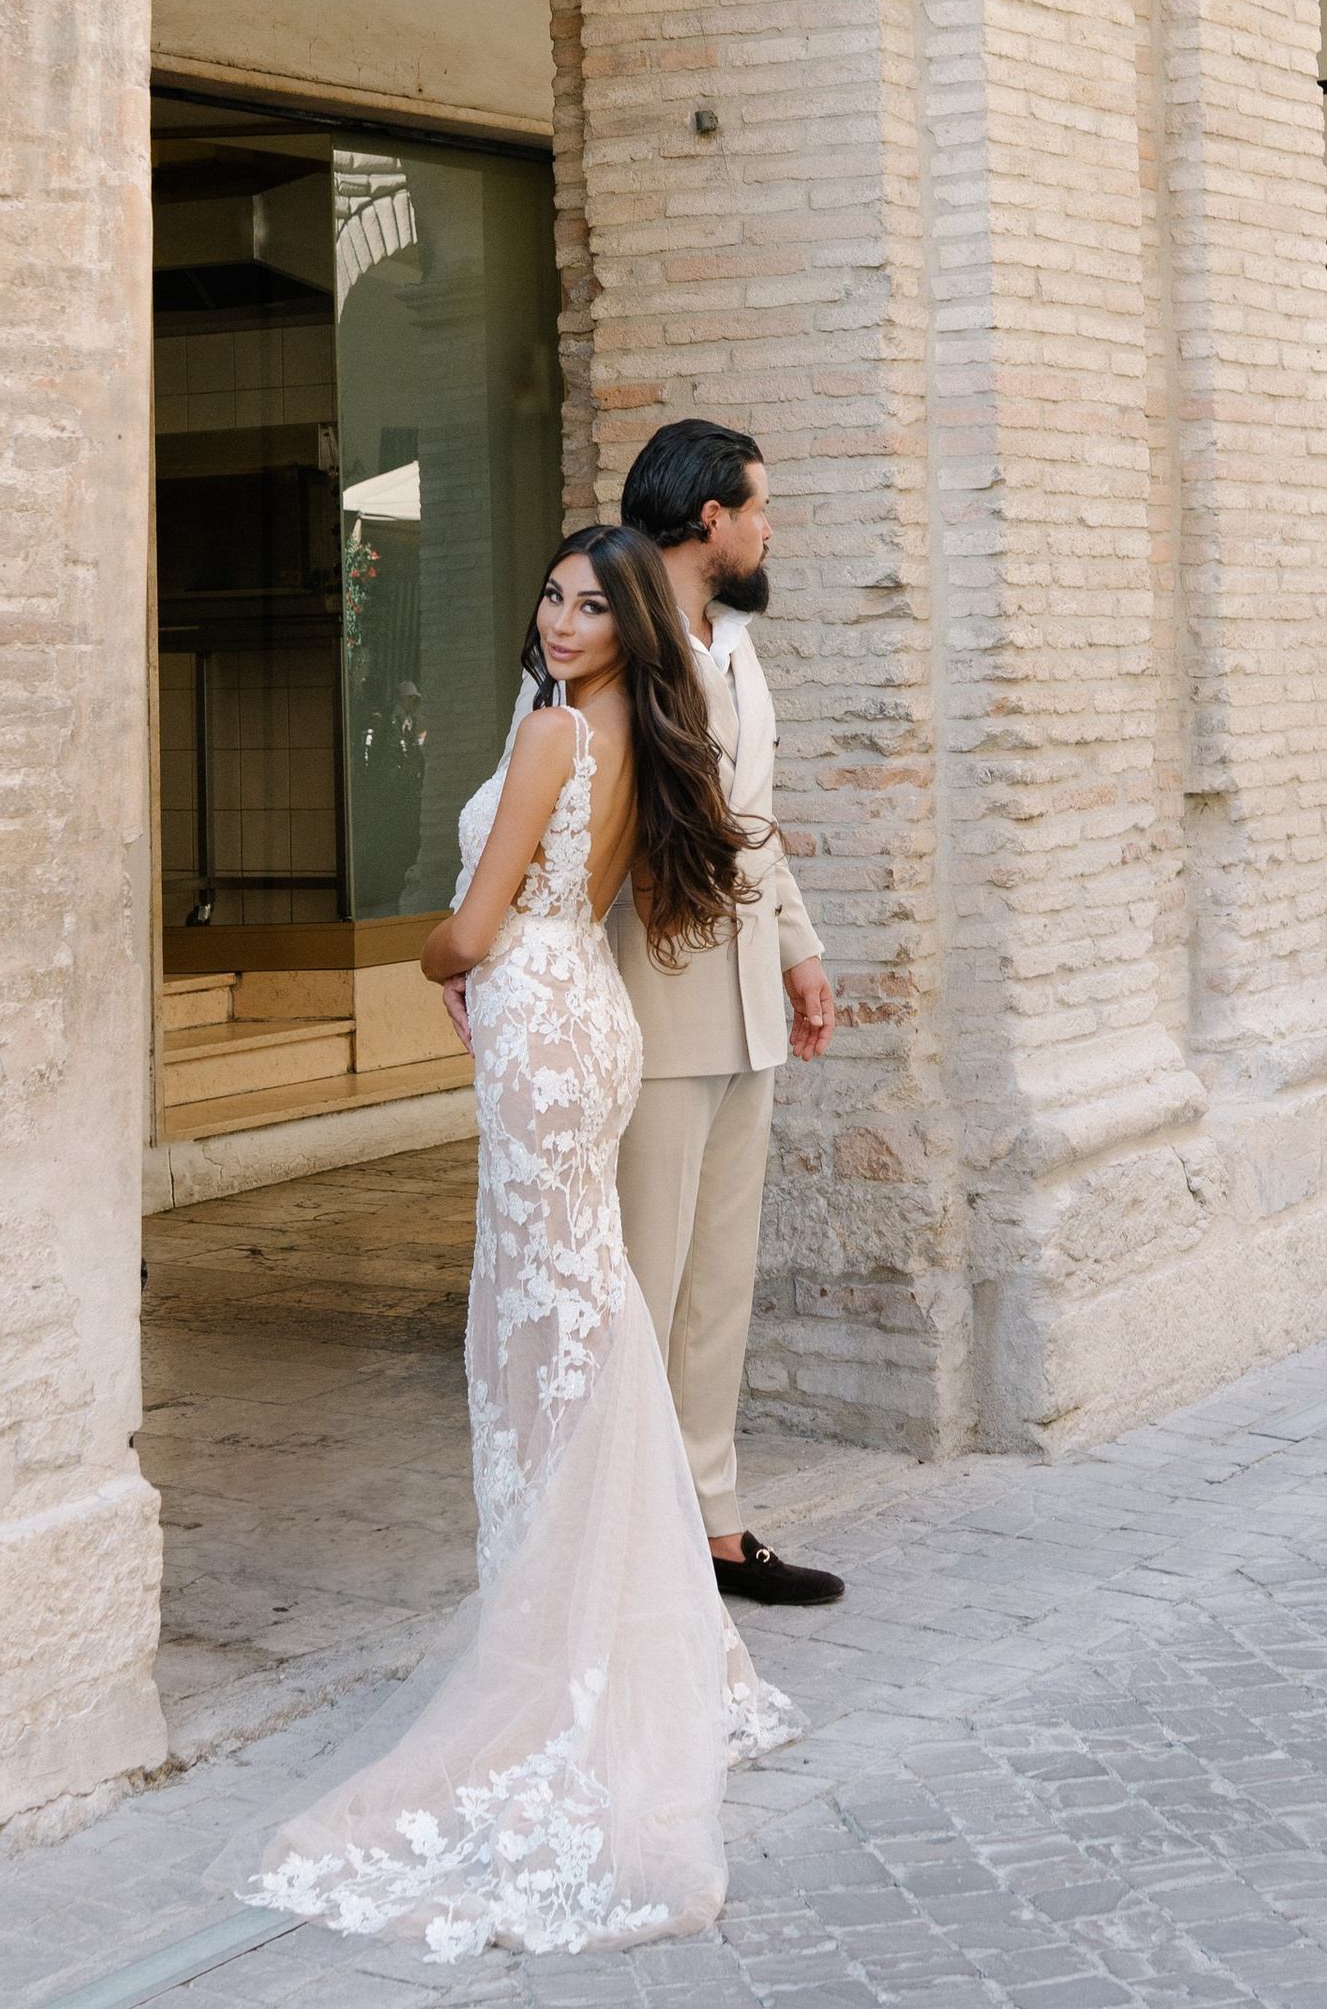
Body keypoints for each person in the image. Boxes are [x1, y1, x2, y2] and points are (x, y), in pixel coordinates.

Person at [249, 527, 799, 1955]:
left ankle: (565, 1646)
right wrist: (496, 962)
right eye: (547, 594)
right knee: (581, 1314)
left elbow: (470, 924)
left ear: (628, 620)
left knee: (547, 1334)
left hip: (538, 1018)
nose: (559, 620)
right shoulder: (640, 732)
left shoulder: (558, 736)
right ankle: (622, 1618)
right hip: (582, 1016)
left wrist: (445, 962)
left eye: (588, 602)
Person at [478, 421, 844, 1609]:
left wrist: (799, 951)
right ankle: (614, 1540)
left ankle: (712, 1522)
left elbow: (754, 819)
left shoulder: (737, 648)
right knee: (633, 1281)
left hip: (742, 1012)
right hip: (641, 1008)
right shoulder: (608, 648)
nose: (769, 527)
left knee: (716, 1283)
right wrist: (473, 957)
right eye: (758, 507)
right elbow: (522, 813)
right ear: (708, 524)